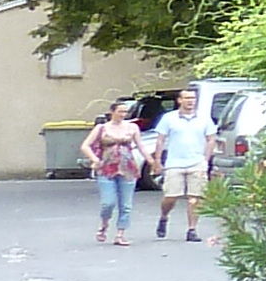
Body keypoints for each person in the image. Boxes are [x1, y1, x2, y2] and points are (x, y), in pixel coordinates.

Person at [149, 86, 214, 244]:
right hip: (175, 162)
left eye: (193, 98)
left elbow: (211, 138)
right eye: (187, 98)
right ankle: (164, 216)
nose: (190, 101)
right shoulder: (169, 118)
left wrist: (205, 159)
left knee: (195, 198)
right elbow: (160, 139)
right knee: (170, 197)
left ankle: (192, 229)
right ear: (180, 100)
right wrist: (157, 160)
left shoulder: (204, 118)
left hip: (197, 162)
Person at [86, 98, 146, 246]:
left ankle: (120, 234)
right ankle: (104, 224)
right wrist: (95, 159)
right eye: (120, 111)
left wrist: (152, 161)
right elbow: (85, 145)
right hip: (106, 168)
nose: (123, 114)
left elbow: (141, 146)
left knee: (126, 204)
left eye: (125, 112)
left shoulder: (132, 127)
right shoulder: (102, 128)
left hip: (127, 168)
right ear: (112, 112)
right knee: (108, 203)